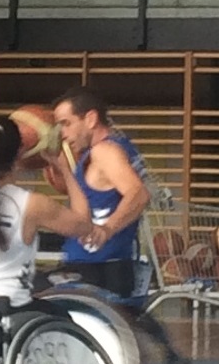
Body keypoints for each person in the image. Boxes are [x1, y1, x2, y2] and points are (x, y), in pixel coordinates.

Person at [0, 115, 102, 318]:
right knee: (67, 316)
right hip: (7, 309)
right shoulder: (33, 204)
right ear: (20, 154)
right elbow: (84, 224)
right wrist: (64, 169)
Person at [50, 87, 151, 298]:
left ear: (90, 119)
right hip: (105, 265)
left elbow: (138, 194)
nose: (63, 134)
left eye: (66, 124)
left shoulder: (105, 151)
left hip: (97, 269)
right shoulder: (113, 148)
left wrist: (107, 229)